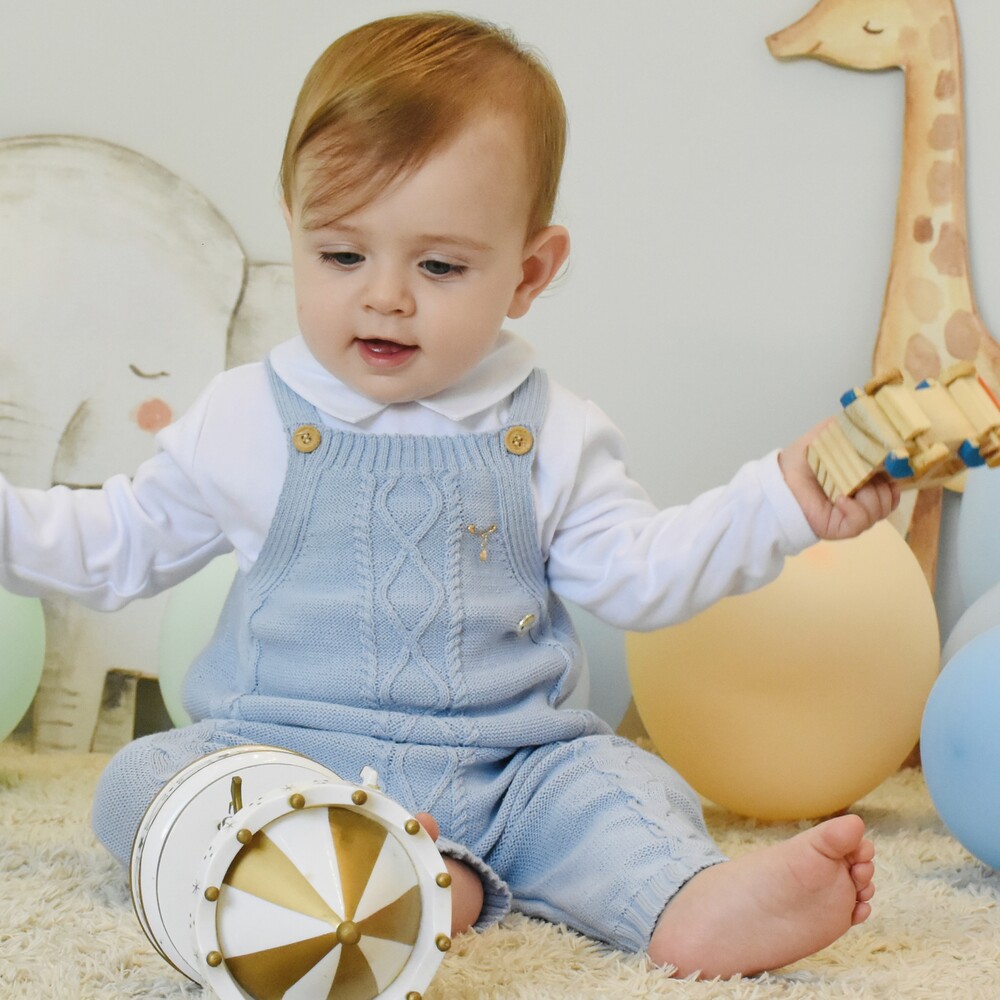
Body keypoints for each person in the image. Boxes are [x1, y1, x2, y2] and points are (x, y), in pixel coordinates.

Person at [0, 11, 897, 980]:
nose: (384, 295)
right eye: (342, 256)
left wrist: (782, 501)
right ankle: (364, 873)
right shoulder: (247, 417)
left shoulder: (552, 429)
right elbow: (114, 543)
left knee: (618, 785)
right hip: (291, 767)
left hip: (510, 772)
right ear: (295, 228)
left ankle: (683, 898)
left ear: (529, 270)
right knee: (145, 779)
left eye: (438, 266)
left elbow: (640, 576)